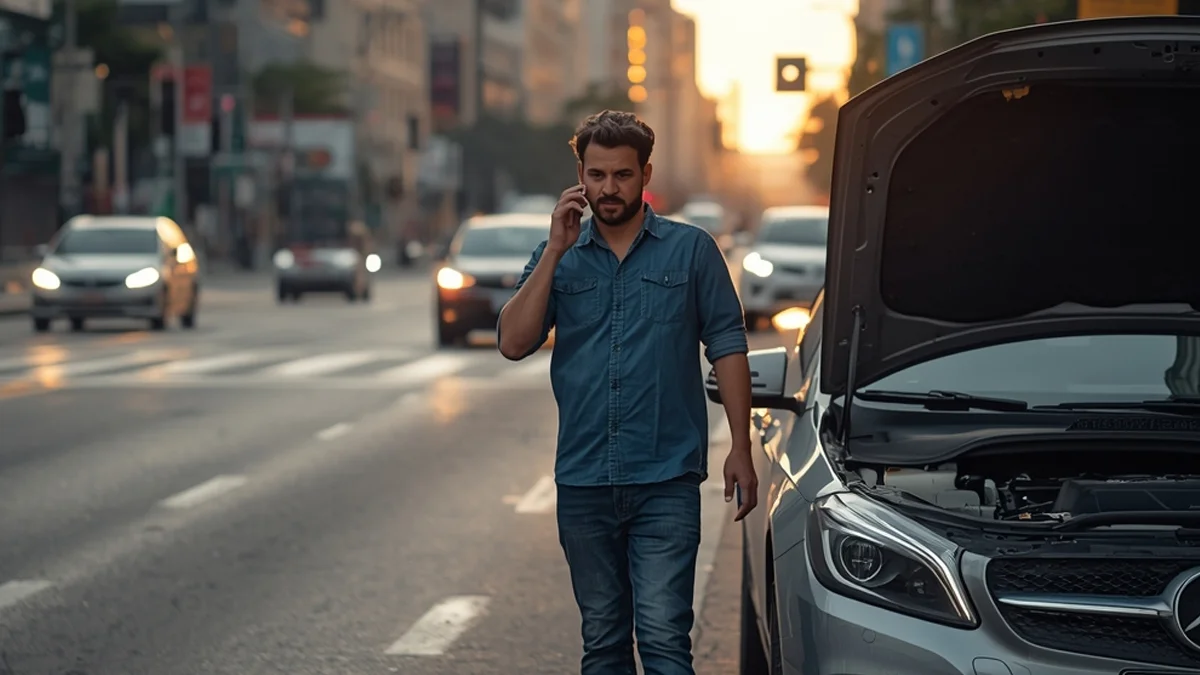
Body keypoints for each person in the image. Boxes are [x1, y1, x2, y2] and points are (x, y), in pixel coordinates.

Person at [496, 110, 758, 675]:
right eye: (596, 176)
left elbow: (728, 344)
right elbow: (514, 342)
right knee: (604, 643)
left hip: (665, 476)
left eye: (621, 175)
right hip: (585, 479)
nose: (607, 189)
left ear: (645, 175)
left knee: (664, 638)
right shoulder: (559, 257)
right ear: (579, 177)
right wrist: (553, 252)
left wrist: (741, 446)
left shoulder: (691, 251)